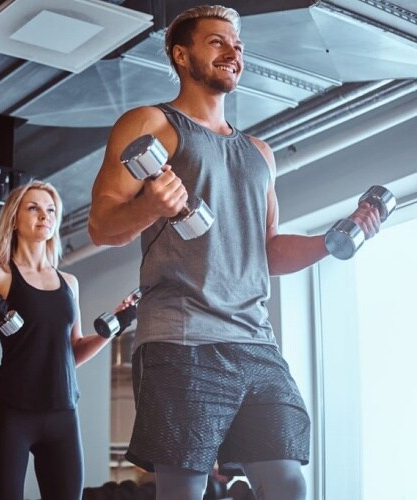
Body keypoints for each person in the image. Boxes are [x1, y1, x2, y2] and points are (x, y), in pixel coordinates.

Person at [88, 5, 382, 500]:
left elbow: (268, 250)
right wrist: (151, 207)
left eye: (238, 45)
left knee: (288, 484)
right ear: (181, 56)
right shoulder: (151, 122)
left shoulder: (258, 152)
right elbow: (101, 225)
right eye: (217, 42)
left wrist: (334, 238)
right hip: (182, 336)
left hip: (255, 341)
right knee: (185, 489)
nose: (234, 51)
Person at [0, 180, 118, 500]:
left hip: (62, 413)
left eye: (50, 210)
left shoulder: (68, 283)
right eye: (34, 208)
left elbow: (70, 352)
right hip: (13, 413)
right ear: (15, 219)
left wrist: (107, 332)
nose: (44, 216)